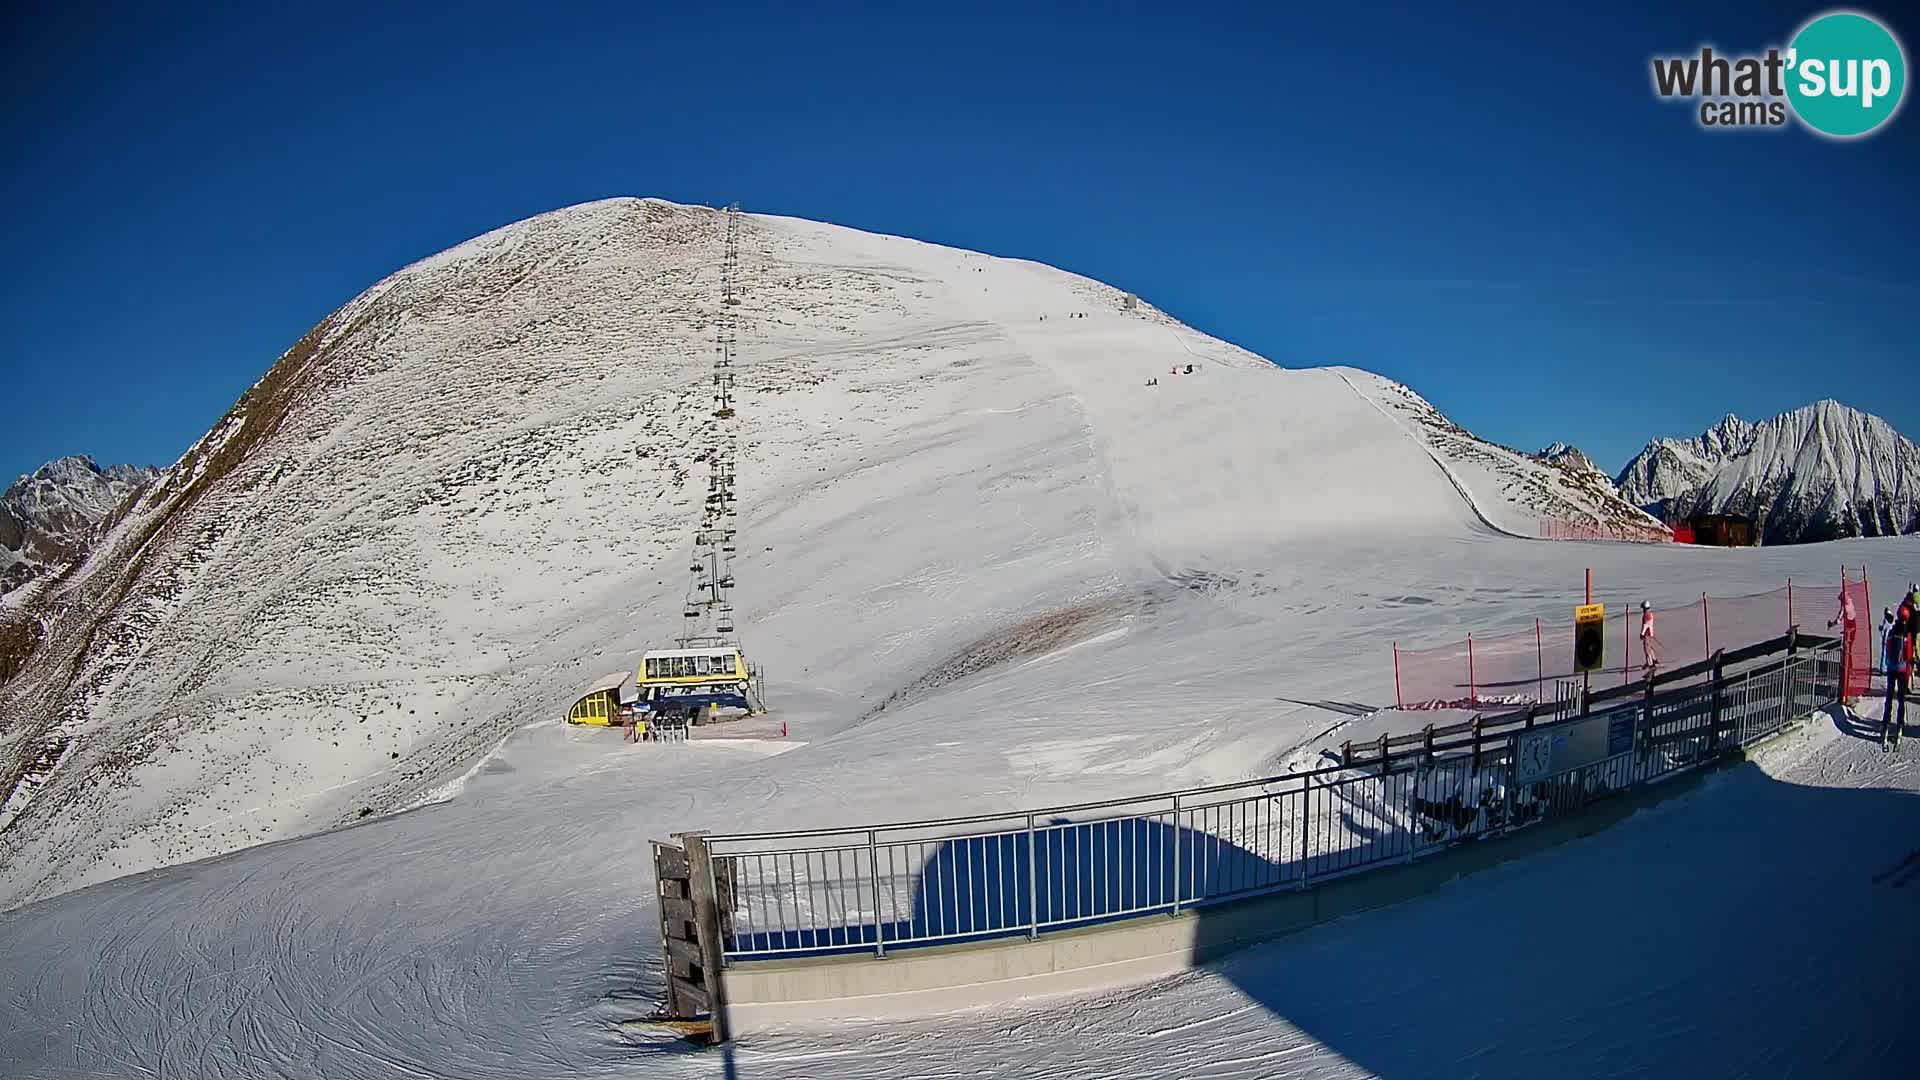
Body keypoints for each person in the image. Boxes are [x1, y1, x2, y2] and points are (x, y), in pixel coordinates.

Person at [1884, 603, 1911, 750]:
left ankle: (1885, 724)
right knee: (1901, 699)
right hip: (1901, 669)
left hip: (1891, 668)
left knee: (1889, 698)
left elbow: (1887, 649)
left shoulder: (1891, 630)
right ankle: (1899, 725)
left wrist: (1889, 663)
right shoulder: (1906, 632)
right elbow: (1907, 653)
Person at [1639, 601, 1659, 670]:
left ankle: (1650, 664)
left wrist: (1642, 634)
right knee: (1650, 648)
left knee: (1646, 650)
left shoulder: (1646, 615)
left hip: (1647, 635)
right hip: (1650, 634)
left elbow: (1645, 625)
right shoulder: (1650, 613)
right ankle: (1654, 660)